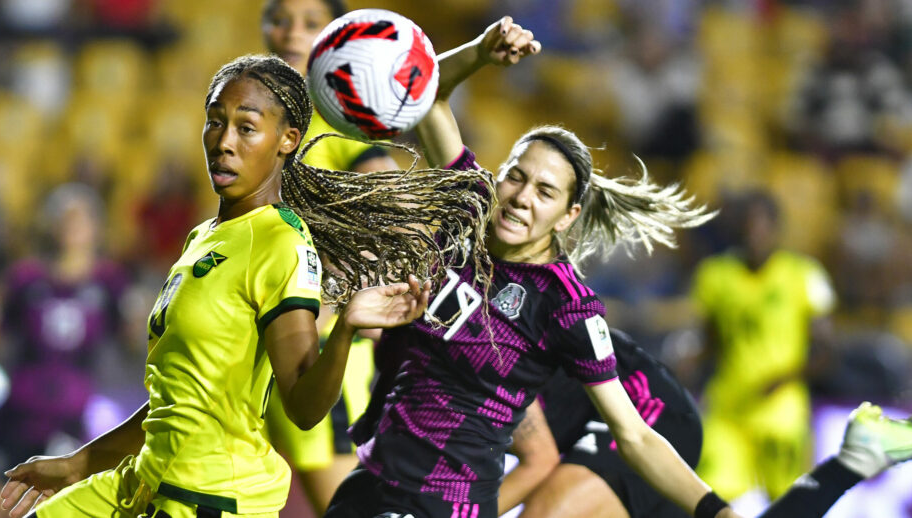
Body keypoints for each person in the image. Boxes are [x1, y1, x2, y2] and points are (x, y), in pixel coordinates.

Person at [0, 54, 496, 518]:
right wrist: (80, 463)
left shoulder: (280, 242)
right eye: (215, 121)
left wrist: (343, 330)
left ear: (287, 140)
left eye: (247, 127)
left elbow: (302, 405)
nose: (224, 140)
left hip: (208, 497)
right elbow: (181, 396)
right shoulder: (204, 237)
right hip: (145, 478)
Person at [326, 17, 738, 518]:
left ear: (568, 216)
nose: (521, 199)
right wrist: (479, 52)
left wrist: (717, 511)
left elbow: (633, 435)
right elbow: (429, 98)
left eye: (545, 192)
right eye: (515, 178)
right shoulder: (468, 209)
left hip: (446, 503)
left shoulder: (566, 304)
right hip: (371, 482)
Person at [498, 328, 912, 518]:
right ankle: (855, 460)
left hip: (638, 400)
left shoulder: (468, 352)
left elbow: (539, 460)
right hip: (579, 423)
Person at [259, 0, 402, 512]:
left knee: (344, 508)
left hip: (319, 354)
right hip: (261, 345)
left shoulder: (340, 118)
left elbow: (397, 210)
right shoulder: (251, 120)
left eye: (311, 23)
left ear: (333, 40)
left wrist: (342, 290)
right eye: (280, 18)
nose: (292, 32)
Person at [0, 183, 132, 518]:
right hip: (19, 412)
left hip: (68, 415)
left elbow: (134, 340)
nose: (72, 228)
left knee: (52, 507)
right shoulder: (25, 277)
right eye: (66, 219)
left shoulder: (109, 281)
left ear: (96, 227)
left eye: (80, 220)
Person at [690, 190, 836, 501]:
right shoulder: (715, 276)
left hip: (779, 412)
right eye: (746, 227)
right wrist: (687, 361)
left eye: (760, 226)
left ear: (775, 229)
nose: (752, 235)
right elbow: (710, 340)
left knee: (789, 502)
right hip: (728, 409)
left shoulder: (803, 275)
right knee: (711, 497)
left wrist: (784, 378)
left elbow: (826, 352)